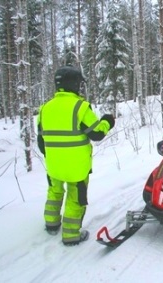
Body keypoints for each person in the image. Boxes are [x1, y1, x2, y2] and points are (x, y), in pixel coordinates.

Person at [37, 65, 115, 246]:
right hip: (77, 166)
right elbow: (96, 134)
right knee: (75, 199)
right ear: (73, 84)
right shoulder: (80, 107)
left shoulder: (45, 108)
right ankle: (71, 235)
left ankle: (51, 224)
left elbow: (41, 143)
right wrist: (107, 122)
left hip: (53, 165)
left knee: (54, 193)